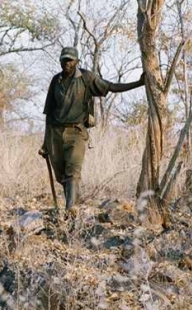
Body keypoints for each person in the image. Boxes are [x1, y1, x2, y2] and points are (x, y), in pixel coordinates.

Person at [41, 46, 145, 211]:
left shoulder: (86, 78)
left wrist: (138, 83)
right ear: (60, 60)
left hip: (76, 132)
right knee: (61, 176)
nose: (67, 63)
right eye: (64, 59)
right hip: (55, 132)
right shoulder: (56, 80)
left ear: (76, 61)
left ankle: (70, 210)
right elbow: (49, 112)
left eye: (70, 60)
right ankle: (74, 202)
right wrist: (45, 143)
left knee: (72, 172)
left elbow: (110, 86)